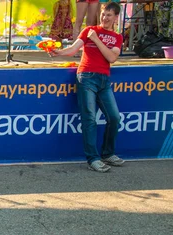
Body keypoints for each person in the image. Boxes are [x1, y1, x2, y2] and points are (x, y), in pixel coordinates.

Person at [53, 1, 124, 172]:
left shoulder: (117, 37)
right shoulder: (88, 31)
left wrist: (96, 39)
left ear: (115, 17)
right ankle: (93, 158)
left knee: (114, 118)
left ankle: (108, 153)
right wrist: (58, 52)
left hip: (104, 80)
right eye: (103, 14)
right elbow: (73, 49)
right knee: (89, 119)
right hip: (86, 77)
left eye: (109, 15)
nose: (104, 17)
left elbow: (111, 58)